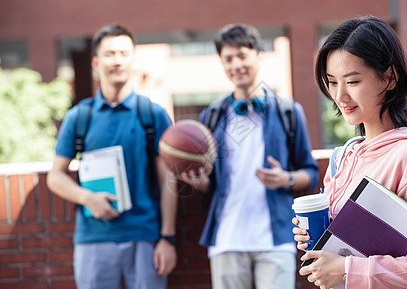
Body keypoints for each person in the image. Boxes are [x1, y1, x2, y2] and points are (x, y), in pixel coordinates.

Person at [292, 16, 407, 288]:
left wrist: (347, 269)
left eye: (352, 82)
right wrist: (315, 236)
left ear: (389, 78)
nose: (340, 96)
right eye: (332, 82)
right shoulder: (343, 157)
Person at [180, 23, 319, 289]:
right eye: (228, 59)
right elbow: (210, 181)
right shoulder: (212, 115)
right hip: (227, 238)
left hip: (276, 237)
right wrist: (200, 183)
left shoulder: (289, 111)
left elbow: (310, 172)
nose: (236, 65)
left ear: (259, 55)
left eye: (242, 55)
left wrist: (285, 178)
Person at [47, 24, 178, 289]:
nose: (117, 60)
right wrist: (87, 198)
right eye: (110, 54)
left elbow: (169, 181)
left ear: (133, 60)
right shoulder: (79, 117)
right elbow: (55, 176)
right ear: (96, 62)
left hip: (146, 237)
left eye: (123, 53)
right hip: (93, 238)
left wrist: (168, 238)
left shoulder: (153, 115)